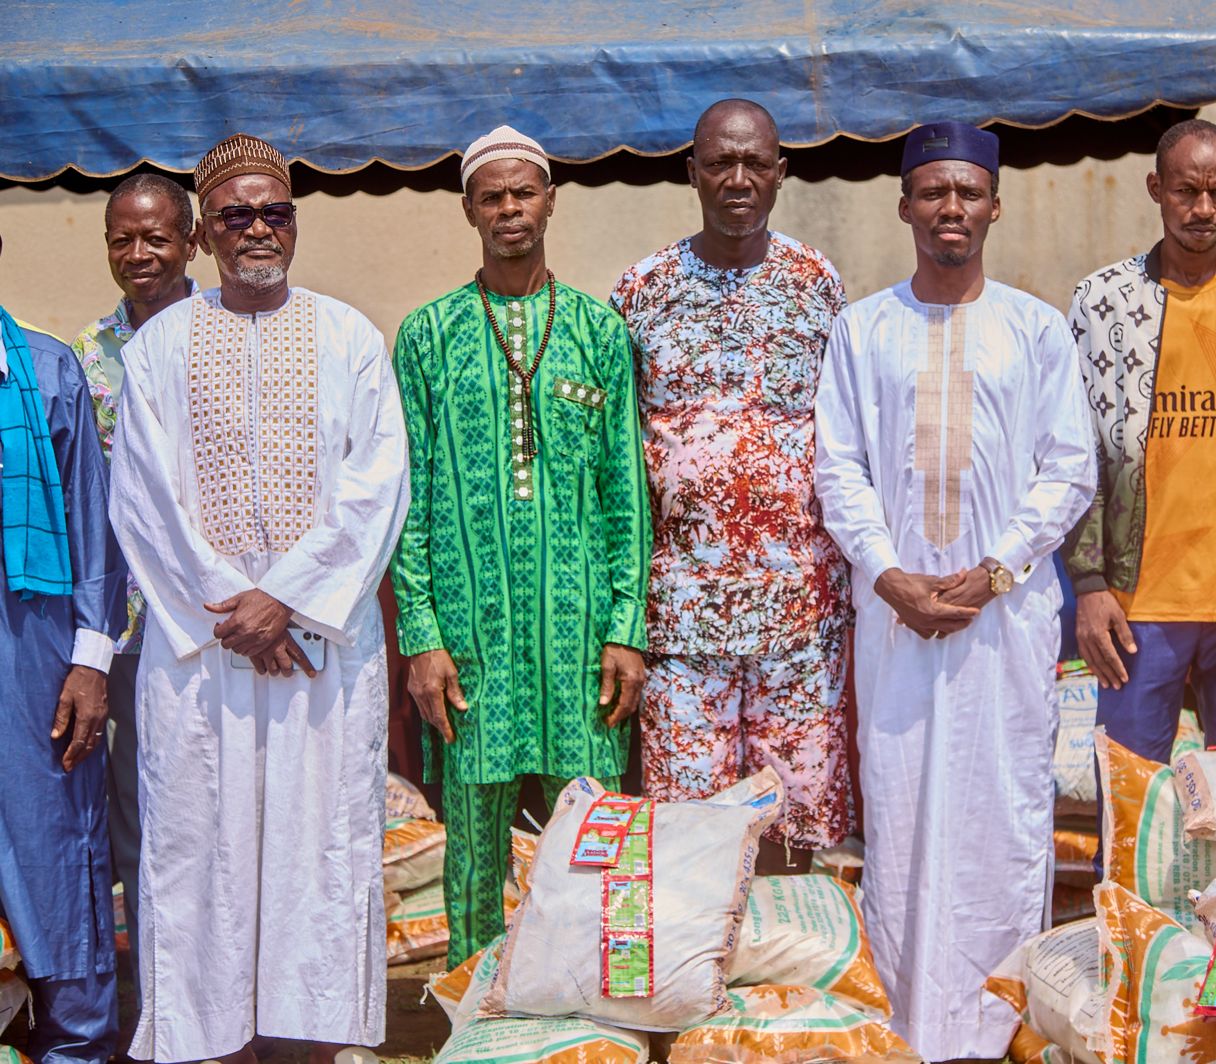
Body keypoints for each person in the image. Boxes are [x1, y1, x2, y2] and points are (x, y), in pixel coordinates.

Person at [108, 133, 408, 1063]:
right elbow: (143, 498)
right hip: (202, 655)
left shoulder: (348, 335)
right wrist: (236, 610)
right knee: (204, 851)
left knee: (321, 848)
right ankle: (209, 1041)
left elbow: (378, 483)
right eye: (234, 215)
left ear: (295, 221)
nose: (256, 229)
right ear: (204, 232)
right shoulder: (156, 347)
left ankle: (311, 1039)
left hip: (319, 647)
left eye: (273, 212)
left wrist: (286, 601)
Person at [814, 121, 1097, 1061]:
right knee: (898, 819)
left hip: (1002, 624)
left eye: (967, 193)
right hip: (895, 624)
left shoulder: (1036, 328)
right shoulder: (862, 329)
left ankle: (996, 1024)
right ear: (903, 206)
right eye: (932, 192)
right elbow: (838, 468)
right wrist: (890, 577)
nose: (950, 209)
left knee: (1003, 812)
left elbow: (1069, 469)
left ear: (994, 207)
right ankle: (902, 1022)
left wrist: (993, 572)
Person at [389, 126, 651, 967]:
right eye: (492, 195)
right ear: (468, 207)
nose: (509, 208)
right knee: (473, 845)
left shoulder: (598, 332)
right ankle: (476, 1019)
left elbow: (624, 495)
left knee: (599, 827)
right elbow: (409, 502)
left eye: (524, 192)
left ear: (549, 201)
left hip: (580, 643)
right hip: (474, 644)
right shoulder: (426, 336)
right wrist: (423, 636)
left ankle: (608, 1005)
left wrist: (626, 627)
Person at [610, 99, 853, 874]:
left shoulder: (818, 285)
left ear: (780, 174)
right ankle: (698, 987)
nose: (737, 179)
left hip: (800, 622)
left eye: (755, 163)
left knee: (795, 832)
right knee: (686, 839)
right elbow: (616, 452)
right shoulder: (641, 291)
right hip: (681, 624)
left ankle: (786, 988)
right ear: (692, 173)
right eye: (720, 162)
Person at [1066, 119, 1216, 771]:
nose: (1204, 209)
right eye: (1186, 191)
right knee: (1131, 808)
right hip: (1136, 607)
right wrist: (1089, 586)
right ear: (1156, 188)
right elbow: (1078, 451)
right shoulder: (1104, 303)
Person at [68, 172, 199, 1005]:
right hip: (122, 630)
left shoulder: (225, 332)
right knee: (134, 816)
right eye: (123, 239)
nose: (139, 253)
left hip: (213, 623)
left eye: (156, 237)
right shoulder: (86, 355)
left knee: (208, 813)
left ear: (191, 241)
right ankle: (155, 1004)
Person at [0, 238, 126, 1062]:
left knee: (54, 847)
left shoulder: (46, 372)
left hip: (32, 653)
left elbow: (92, 526)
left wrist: (89, 661)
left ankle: (75, 1048)